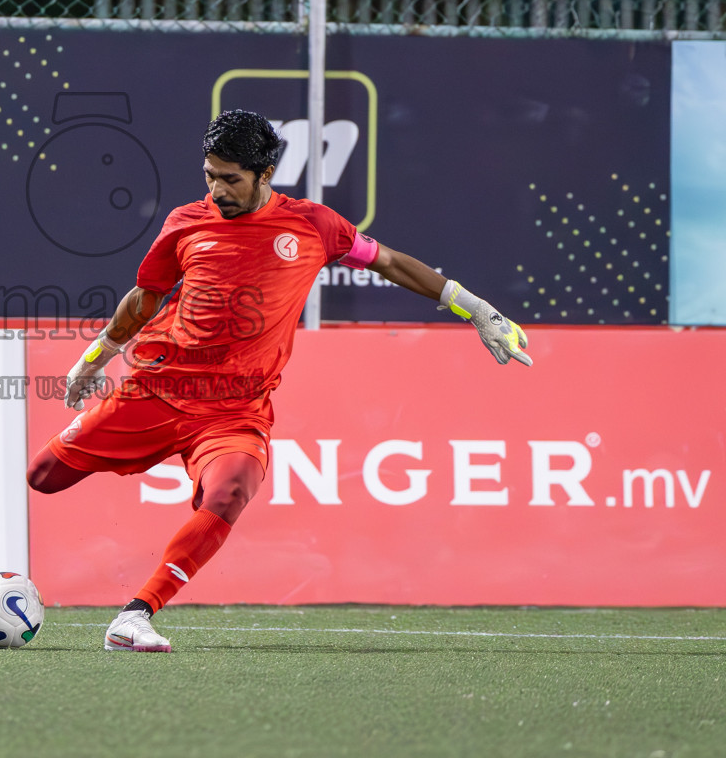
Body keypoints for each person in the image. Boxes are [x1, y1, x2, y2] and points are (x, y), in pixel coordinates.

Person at [27, 109, 532, 652]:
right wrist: (98, 354)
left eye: (230, 179)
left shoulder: (313, 225)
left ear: (265, 174)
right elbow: (146, 297)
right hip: (157, 390)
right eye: (208, 175)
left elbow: (386, 260)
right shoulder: (185, 223)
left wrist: (473, 307)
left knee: (229, 492)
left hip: (235, 410)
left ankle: (135, 615)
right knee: (43, 475)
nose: (216, 190)